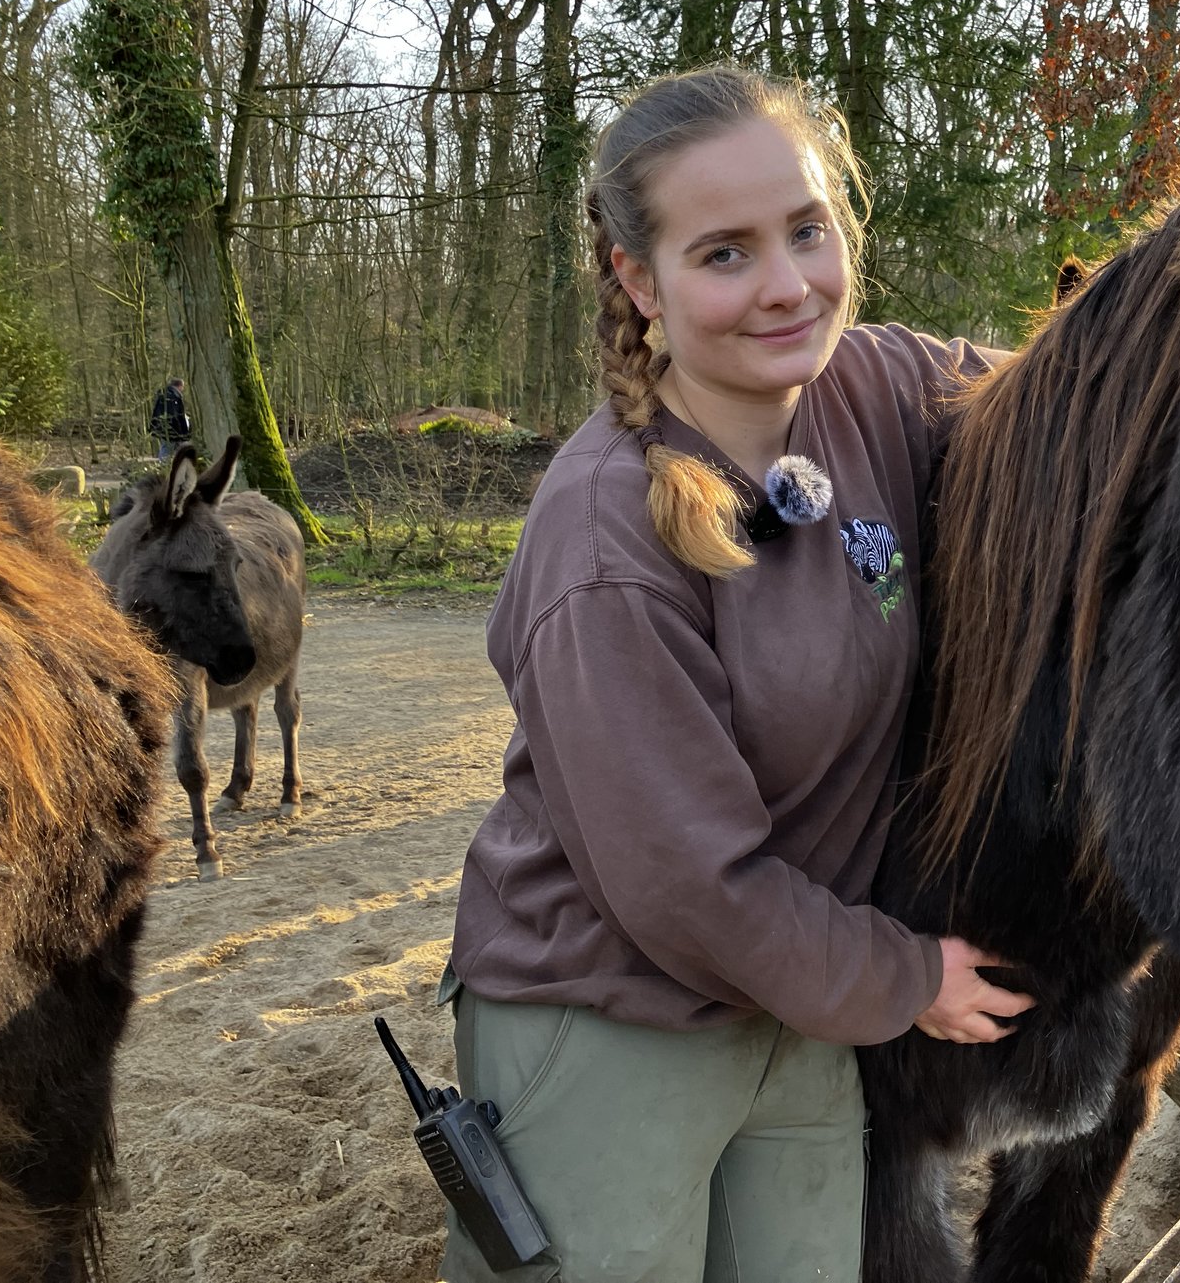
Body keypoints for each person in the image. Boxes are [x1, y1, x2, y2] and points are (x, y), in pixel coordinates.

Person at [439, 67, 1033, 1283]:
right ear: (636, 278)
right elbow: (688, 886)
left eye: (806, 230)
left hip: (799, 1012)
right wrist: (906, 975)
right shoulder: (606, 541)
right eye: (724, 253)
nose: (786, 285)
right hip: (605, 1021)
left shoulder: (869, 388)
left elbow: (1083, 397)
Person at [149, 377, 191, 459]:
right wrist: (183, 431)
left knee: (167, 446)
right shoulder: (174, 396)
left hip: (161, 426)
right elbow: (178, 414)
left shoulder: (162, 395)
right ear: (179, 386)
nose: (182, 389)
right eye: (182, 387)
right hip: (172, 427)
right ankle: (165, 466)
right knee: (168, 447)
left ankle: (166, 465)